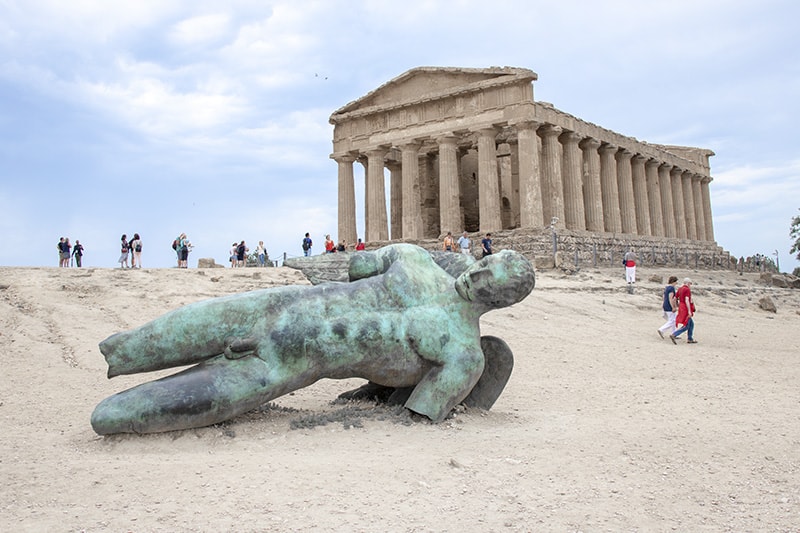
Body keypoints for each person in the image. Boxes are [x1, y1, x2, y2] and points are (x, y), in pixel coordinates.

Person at [91, 243, 536, 434]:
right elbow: (421, 407)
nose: (475, 276)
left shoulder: (462, 352)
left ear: (499, 300)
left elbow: (419, 411)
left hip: (292, 354)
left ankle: (123, 374)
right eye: (483, 267)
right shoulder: (461, 351)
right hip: (285, 320)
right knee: (133, 347)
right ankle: (123, 355)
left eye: (486, 280)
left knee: (112, 415)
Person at [670, 278, 697, 344]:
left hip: (681, 307)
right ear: (688, 283)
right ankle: (674, 334)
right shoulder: (687, 290)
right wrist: (689, 311)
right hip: (685, 307)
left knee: (691, 324)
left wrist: (675, 306)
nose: (690, 285)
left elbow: (674, 298)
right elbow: (687, 300)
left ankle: (690, 338)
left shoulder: (680, 289)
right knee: (687, 324)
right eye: (690, 283)